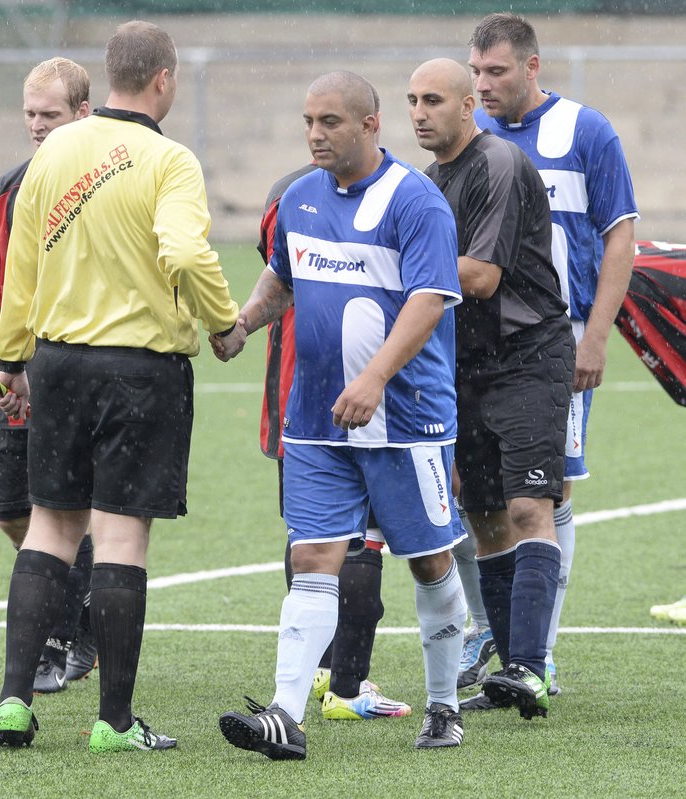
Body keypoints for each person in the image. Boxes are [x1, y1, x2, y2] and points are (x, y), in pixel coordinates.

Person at [0, 20, 242, 754]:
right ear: (165, 79)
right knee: (122, 535)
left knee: (50, 528)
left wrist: (11, 361)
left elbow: (22, 266)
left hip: (58, 362)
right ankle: (115, 721)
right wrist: (221, 321)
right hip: (140, 370)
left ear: (108, 75)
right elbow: (185, 249)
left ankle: (12, 701)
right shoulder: (170, 159)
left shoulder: (56, 149)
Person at [216, 70, 467, 759]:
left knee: (428, 562)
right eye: (308, 122)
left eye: (330, 122)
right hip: (317, 421)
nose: (315, 135)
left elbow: (428, 300)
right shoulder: (299, 198)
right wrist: (243, 324)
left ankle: (444, 705)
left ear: (369, 124)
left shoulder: (416, 203)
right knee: (313, 556)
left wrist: (376, 377)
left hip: (406, 419)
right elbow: (283, 276)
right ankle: (284, 714)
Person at [467, 12, 639, 694]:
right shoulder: (468, 137)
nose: (483, 85)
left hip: (555, 343)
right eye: (475, 72)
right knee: (473, 496)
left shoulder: (585, 131)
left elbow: (620, 239)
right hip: (477, 350)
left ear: (532, 68)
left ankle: (538, 653)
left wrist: (593, 336)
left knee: (545, 488)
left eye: (497, 72)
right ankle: (494, 633)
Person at [409, 57, 575, 720]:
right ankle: (510, 671)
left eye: (434, 100)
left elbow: (478, 277)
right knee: (482, 522)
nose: (420, 112)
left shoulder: (497, 163)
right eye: (411, 100)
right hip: (464, 368)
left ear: (467, 106)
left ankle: (533, 668)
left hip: (529, 355)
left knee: (530, 506)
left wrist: (401, 273)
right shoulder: (428, 182)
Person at [0, 57, 97, 694]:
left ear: (83, 114)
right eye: (31, 114)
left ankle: (59, 636)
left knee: (60, 507)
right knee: (13, 510)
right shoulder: (8, 188)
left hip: (78, 368)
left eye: (52, 114)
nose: (39, 126)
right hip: (14, 372)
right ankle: (81, 615)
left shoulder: (103, 182)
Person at [257, 164, 411, 723]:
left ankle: (321, 671)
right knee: (360, 539)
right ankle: (347, 684)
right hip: (349, 385)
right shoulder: (399, 194)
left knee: (312, 534)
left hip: (295, 385)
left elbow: (276, 272)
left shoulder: (288, 192)